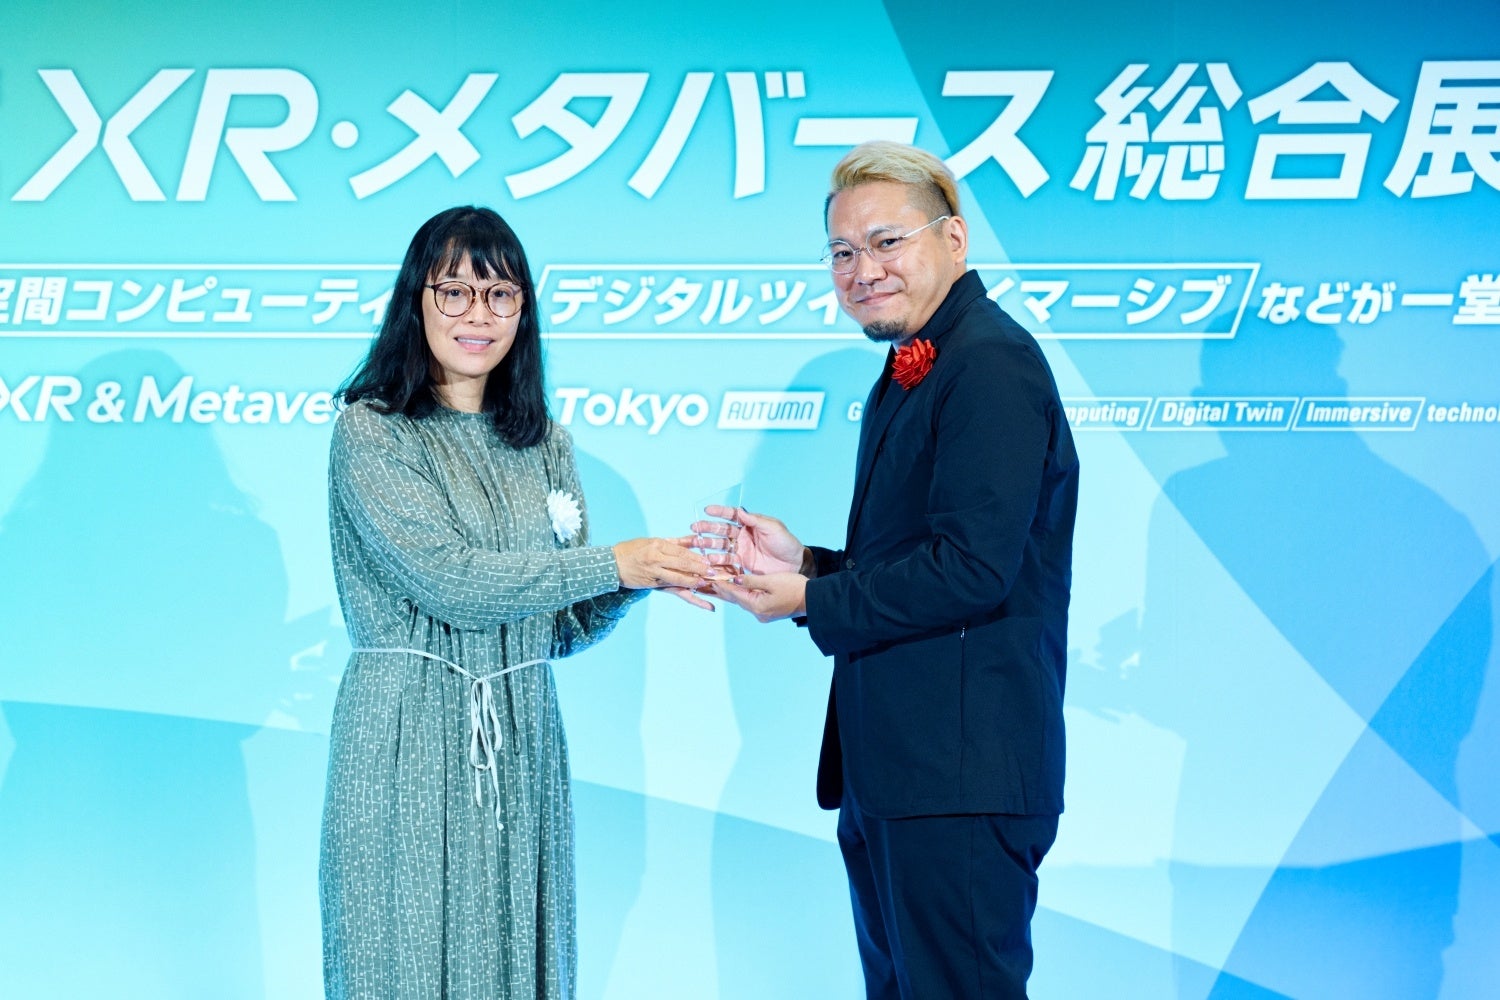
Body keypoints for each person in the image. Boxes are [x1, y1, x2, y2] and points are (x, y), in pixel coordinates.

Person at [702, 142, 1080, 998]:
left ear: (954, 239)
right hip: (903, 778)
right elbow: (923, 558)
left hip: (958, 777)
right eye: (842, 251)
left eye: (886, 242)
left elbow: (971, 570)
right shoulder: (919, 364)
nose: (862, 270)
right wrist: (807, 564)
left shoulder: (988, 362)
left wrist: (813, 595)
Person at [319, 205, 710, 999]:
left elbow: (558, 627)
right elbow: (451, 582)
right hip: (405, 733)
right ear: (416, 301)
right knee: (402, 956)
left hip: (522, 736)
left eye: (500, 295)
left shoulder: (544, 440)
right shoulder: (373, 431)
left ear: (523, 311)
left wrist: (638, 580)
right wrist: (614, 561)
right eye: (454, 292)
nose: (478, 315)